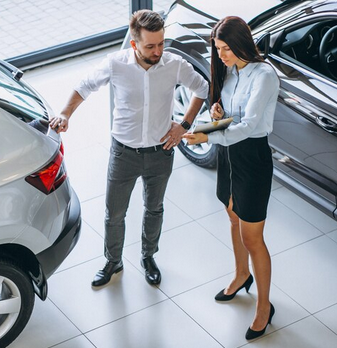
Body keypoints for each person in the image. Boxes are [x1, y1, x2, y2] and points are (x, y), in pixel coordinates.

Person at [50, 9, 208, 287]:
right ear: (134, 44)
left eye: (161, 43)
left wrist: (184, 124)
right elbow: (84, 87)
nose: (158, 50)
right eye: (150, 46)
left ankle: (149, 257)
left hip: (161, 152)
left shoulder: (174, 64)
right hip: (123, 154)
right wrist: (65, 114)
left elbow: (203, 89)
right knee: (115, 214)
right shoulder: (115, 64)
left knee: (154, 208)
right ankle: (113, 261)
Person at [183, 16, 279, 340]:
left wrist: (207, 137)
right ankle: (241, 275)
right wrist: (216, 115)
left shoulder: (263, 75)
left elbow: (250, 127)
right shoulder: (231, 71)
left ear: (240, 44)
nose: (220, 55)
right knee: (232, 216)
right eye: (218, 49)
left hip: (252, 158)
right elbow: (230, 116)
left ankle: (264, 307)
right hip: (229, 154)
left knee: (253, 237)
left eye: (224, 49)